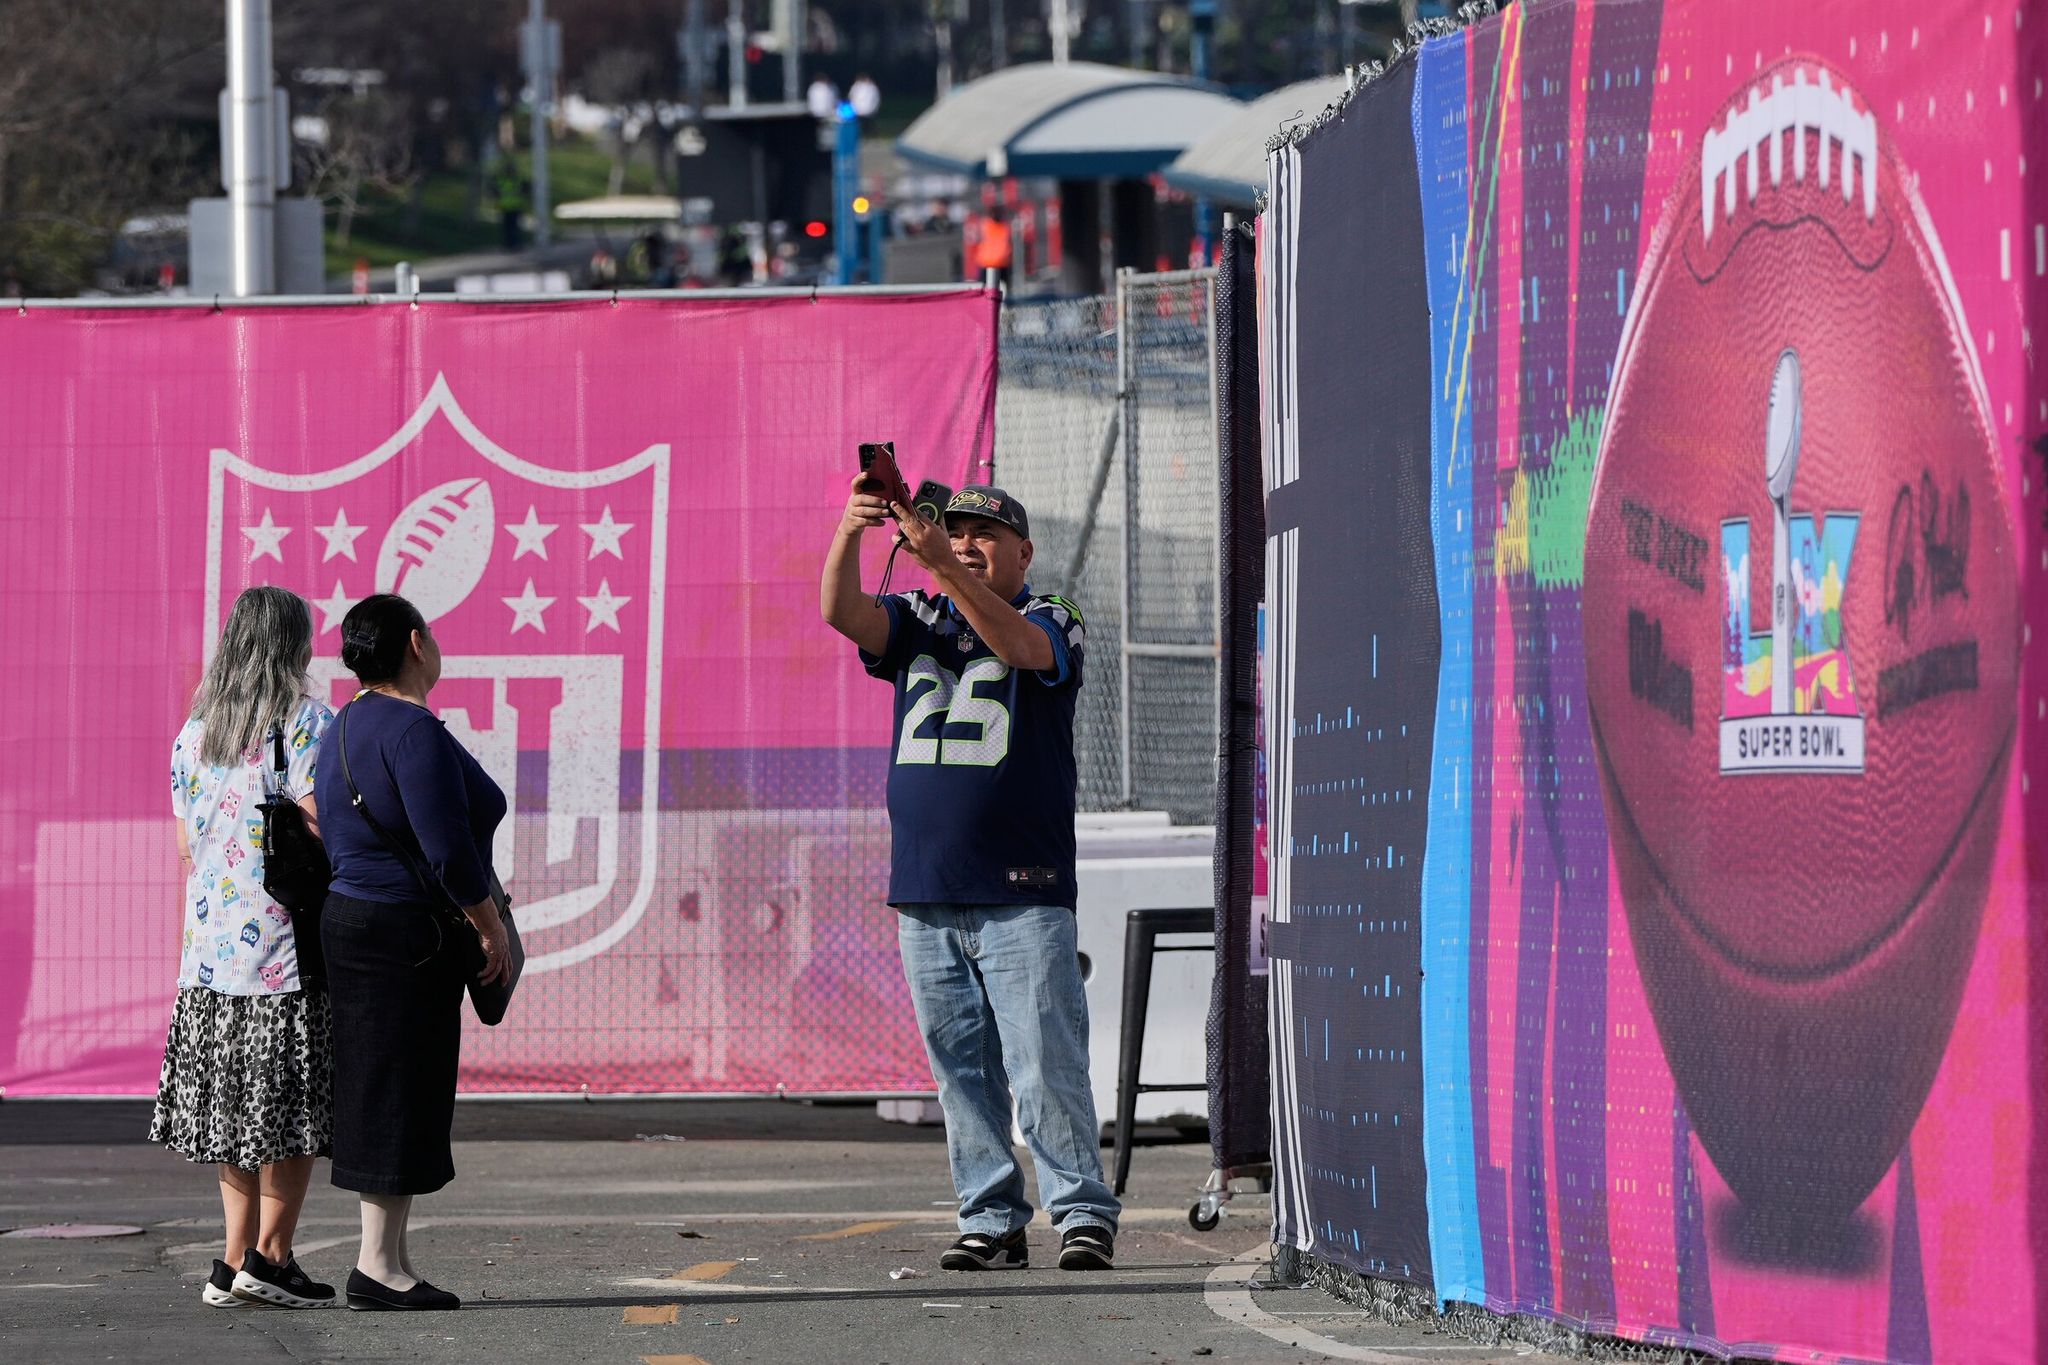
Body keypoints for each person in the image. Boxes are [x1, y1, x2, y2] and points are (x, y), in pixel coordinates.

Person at [820, 479, 1120, 1271]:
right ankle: (992, 1217)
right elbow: (842, 612)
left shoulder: (1054, 616)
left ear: (1024, 551)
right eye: (954, 533)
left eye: (985, 534)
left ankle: (1081, 1211)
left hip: (1022, 891)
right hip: (926, 890)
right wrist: (852, 531)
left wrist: (945, 572)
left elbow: (1023, 651)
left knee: (1045, 1062)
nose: (965, 544)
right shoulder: (920, 618)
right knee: (962, 1073)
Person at [316, 594, 511, 1312]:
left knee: (385, 1083)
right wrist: (487, 924)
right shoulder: (411, 731)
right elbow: (449, 851)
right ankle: (377, 1264)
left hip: (356, 919)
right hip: (404, 930)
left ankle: (388, 1256)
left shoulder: (344, 726)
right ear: (417, 643)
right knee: (403, 1087)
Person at [150, 586, 337, 1310]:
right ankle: (275, 1255)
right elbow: (326, 829)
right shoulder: (306, 722)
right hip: (282, 956)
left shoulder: (194, 732)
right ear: (293, 645)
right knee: (288, 1110)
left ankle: (231, 1260)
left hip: (207, 959)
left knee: (232, 1112)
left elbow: (184, 845)